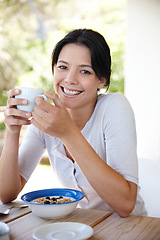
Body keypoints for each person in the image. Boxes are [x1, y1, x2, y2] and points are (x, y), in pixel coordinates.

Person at [0, 29, 147, 217]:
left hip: (131, 228)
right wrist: (13, 131)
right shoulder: (46, 117)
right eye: (63, 67)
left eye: (85, 71)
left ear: (101, 80)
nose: (70, 79)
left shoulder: (114, 107)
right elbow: (6, 194)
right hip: (83, 226)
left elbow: (125, 204)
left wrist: (67, 133)